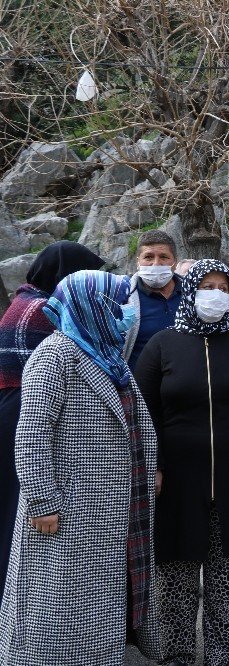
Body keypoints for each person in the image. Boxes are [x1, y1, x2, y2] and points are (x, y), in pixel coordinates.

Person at [0, 270, 161, 664]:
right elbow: (31, 433)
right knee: (56, 611)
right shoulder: (55, 355)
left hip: (104, 511)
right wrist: (42, 501)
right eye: (118, 302)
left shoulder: (106, 355)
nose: (126, 311)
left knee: (92, 610)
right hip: (67, 511)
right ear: (91, 305)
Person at [135, 259, 229, 666]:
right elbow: (145, 412)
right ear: (190, 290)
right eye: (207, 286)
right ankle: (176, 652)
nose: (215, 294)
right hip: (177, 477)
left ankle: (225, 653)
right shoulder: (162, 344)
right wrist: (154, 464)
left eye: (223, 286)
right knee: (176, 572)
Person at [0, 241, 104, 599]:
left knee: (10, 506)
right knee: (28, 508)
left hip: (10, 404)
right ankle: (32, 603)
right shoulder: (48, 309)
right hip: (28, 408)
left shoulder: (23, 300)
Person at [125, 230, 182, 368]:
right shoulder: (123, 297)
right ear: (138, 262)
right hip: (138, 387)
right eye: (149, 257)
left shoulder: (193, 295)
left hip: (186, 385)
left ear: (174, 262)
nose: (156, 264)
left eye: (163, 257)